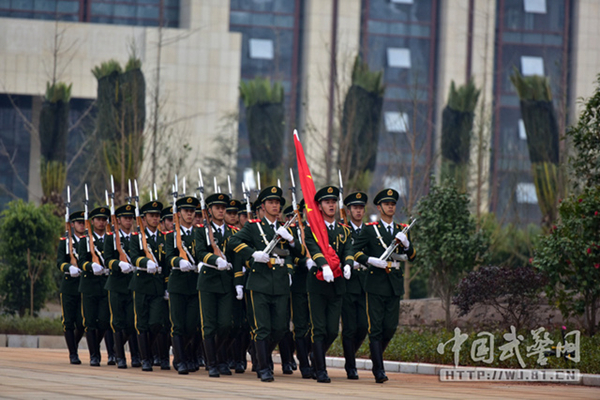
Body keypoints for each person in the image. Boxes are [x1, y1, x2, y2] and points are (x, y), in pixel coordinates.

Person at [229, 186, 302, 382]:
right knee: (261, 328)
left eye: (277, 202)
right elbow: (233, 241)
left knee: (279, 327)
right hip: (259, 282)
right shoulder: (253, 227)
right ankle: (263, 367)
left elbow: (299, 253)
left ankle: (257, 351)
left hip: (279, 284)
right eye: (271, 202)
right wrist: (253, 254)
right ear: (263, 206)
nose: (275, 205)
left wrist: (292, 241)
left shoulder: (285, 229)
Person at [352, 188, 416, 383]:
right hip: (375, 284)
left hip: (394, 284)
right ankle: (378, 370)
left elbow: (412, 256)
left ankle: (376, 353)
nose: (390, 207)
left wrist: (406, 245)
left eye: (393, 204)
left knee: (390, 327)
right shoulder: (370, 230)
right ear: (379, 207)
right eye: (386, 204)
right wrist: (370, 260)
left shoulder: (402, 229)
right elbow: (354, 251)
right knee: (376, 328)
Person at [303, 186, 353, 383]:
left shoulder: (344, 229)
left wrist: (348, 264)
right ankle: (321, 370)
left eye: (333, 201)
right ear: (320, 206)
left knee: (332, 330)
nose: (331, 205)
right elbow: (313, 247)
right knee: (319, 328)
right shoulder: (312, 229)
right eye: (327, 202)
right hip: (318, 283)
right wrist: (323, 264)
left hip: (337, 283)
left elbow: (348, 249)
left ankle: (316, 355)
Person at [196, 192, 237, 377]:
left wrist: (238, 283)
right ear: (210, 210)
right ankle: (213, 363)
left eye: (223, 208)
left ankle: (217, 357)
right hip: (208, 282)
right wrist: (214, 259)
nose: (221, 211)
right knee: (209, 325)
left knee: (226, 324)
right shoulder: (202, 230)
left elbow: (236, 258)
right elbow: (199, 252)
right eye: (217, 208)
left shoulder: (232, 232)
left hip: (226, 283)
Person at [130, 200, 170, 372]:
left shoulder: (164, 238)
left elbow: (167, 262)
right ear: (144, 219)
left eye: (157, 216)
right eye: (151, 216)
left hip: (157, 285)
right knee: (142, 323)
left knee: (156, 323)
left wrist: (167, 285)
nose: (155, 219)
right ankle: (145, 358)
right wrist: (146, 262)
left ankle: (152, 352)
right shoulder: (136, 238)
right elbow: (134, 256)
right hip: (141, 284)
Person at [166, 196, 201, 375]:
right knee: (178, 325)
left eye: (192, 211)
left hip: (195, 284)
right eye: (186, 211)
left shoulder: (199, 233)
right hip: (178, 284)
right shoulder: (172, 236)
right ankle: (180, 359)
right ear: (179, 214)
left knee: (191, 324)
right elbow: (168, 256)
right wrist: (178, 261)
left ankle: (187, 354)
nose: (189, 214)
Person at [104, 204, 137, 369]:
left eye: (131, 218)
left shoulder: (137, 237)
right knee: (117, 321)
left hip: (132, 284)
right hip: (116, 284)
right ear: (118, 220)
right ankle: (121, 357)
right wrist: (117, 264)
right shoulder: (111, 237)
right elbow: (107, 259)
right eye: (125, 218)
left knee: (132, 322)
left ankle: (117, 349)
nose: (128, 221)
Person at [77, 206, 111, 367]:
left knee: (104, 321)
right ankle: (94, 355)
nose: (101, 222)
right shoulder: (85, 240)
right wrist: (91, 267)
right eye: (98, 219)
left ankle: (96, 347)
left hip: (105, 284)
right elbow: (81, 261)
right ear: (92, 221)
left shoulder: (111, 239)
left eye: (104, 219)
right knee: (90, 321)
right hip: (89, 284)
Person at [341, 192, 369, 379]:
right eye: (355, 208)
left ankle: (350, 353)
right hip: (347, 284)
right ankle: (351, 366)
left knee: (363, 327)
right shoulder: (343, 230)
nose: (358, 211)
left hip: (365, 283)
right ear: (349, 211)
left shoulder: (369, 231)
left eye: (361, 208)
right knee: (350, 327)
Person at [56, 210, 86, 365]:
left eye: (84, 222)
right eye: (79, 223)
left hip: (84, 286)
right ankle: (73, 353)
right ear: (73, 224)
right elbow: (59, 262)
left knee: (82, 322)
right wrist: (69, 267)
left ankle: (73, 344)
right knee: (68, 321)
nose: (82, 225)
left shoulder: (89, 241)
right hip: (69, 286)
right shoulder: (65, 241)